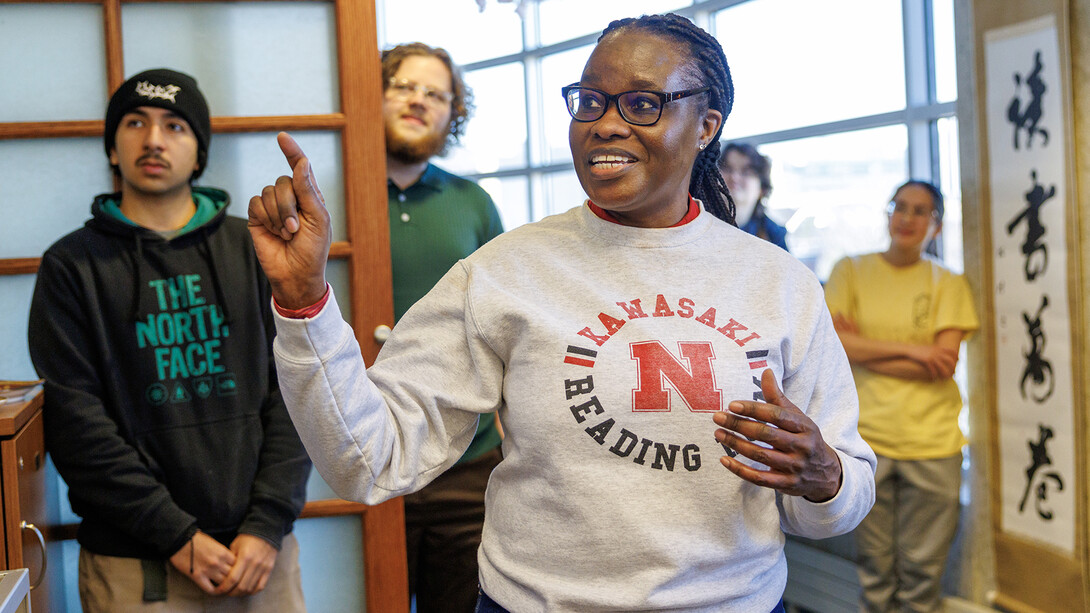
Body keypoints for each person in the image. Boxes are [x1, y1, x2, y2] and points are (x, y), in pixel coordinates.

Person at [249, 13, 875, 612]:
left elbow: (840, 496)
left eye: (642, 103)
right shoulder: (505, 271)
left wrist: (824, 476)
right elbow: (369, 459)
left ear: (706, 125)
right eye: (591, 101)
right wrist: (305, 302)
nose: (604, 123)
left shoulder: (778, 282)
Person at [28, 68, 311, 612]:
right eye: (135, 122)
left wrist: (268, 521)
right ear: (113, 146)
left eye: (174, 126)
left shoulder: (254, 248)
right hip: (136, 562)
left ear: (199, 152)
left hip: (261, 555)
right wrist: (176, 536)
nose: (153, 139)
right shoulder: (72, 266)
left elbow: (297, 387)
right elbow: (75, 421)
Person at [381, 42, 505, 612]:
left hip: (467, 459)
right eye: (405, 86)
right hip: (368, 447)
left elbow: (505, 321)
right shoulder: (332, 197)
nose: (419, 102)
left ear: (452, 111)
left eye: (436, 94)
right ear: (373, 92)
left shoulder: (472, 202)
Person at [823, 180, 978, 613]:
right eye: (900, 207)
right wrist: (915, 350)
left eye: (920, 211)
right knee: (874, 569)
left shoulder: (948, 282)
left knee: (922, 573)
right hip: (864, 442)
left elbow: (944, 363)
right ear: (888, 213)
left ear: (937, 226)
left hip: (933, 444)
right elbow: (837, 346)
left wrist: (865, 349)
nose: (907, 218)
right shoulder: (850, 270)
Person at [719, 142, 788, 250]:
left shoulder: (773, 235)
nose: (734, 177)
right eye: (727, 169)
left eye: (746, 172)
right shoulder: (698, 222)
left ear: (762, 189)